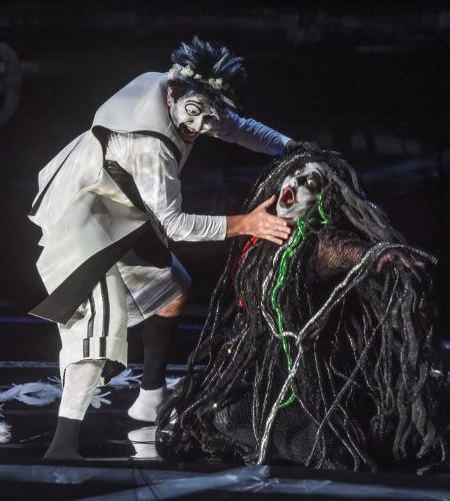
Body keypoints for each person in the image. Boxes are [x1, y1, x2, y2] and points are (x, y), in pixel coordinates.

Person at [28, 36, 300, 460]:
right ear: (174, 94)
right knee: (99, 322)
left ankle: (150, 398)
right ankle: (62, 446)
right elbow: (173, 223)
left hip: (120, 209)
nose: (199, 127)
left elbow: (238, 128)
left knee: (172, 290)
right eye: (195, 114)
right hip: (81, 215)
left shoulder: (188, 97)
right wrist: (245, 224)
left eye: (210, 117)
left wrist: (288, 146)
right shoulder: (152, 143)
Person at [156, 148, 450, 472]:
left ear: (325, 200)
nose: (295, 185)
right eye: (293, 177)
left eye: (310, 182)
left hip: (307, 382)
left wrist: (382, 256)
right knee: (212, 415)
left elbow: (349, 251)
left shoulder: (319, 244)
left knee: (330, 450)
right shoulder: (262, 242)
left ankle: (324, 435)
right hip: (262, 374)